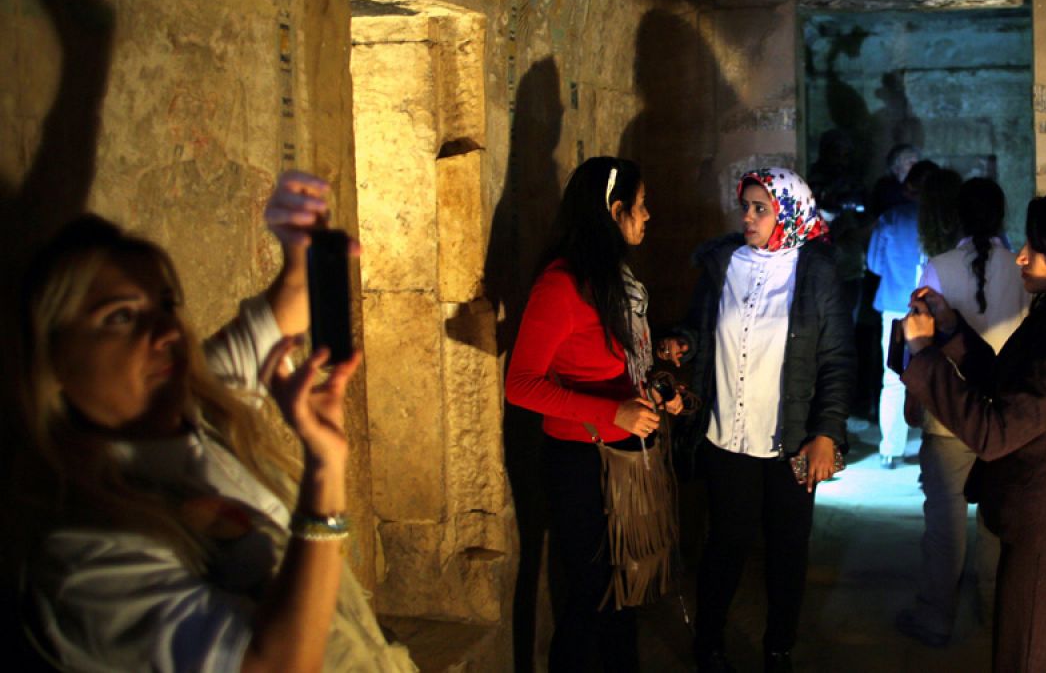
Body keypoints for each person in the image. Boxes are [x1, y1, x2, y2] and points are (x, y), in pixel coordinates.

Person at [13, 172, 415, 672]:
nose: (164, 331)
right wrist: (324, 474)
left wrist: (299, 252)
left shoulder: (197, 408)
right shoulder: (85, 559)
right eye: (119, 316)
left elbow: (281, 314)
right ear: (53, 362)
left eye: (165, 305)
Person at [901, 185, 1046, 672]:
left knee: (1027, 657)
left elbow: (994, 432)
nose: (1021, 257)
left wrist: (925, 357)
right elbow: (1002, 379)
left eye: (1036, 248)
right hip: (1044, 524)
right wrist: (949, 331)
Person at [659, 168, 853, 673]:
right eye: (744, 206)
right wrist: (684, 343)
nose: (747, 216)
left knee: (788, 550)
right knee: (725, 545)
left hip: (791, 440)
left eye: (759, 208)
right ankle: (710, 643)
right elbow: (700, 326)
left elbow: (836, 360)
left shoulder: (816, 273)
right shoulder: (724, 264)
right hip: (728, 436)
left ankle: (778, 648)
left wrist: (827, 433)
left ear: (787, 211)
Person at [504, 157, 682, 673]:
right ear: (614, 209)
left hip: (621, 454)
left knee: (622, 596)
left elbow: (625, 364)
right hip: (582, 462)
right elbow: (521, 386)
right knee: (590, 601)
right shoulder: (561, 285)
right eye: (641, 205)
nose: (648, 216)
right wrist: (612, 414)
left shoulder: (616, 281)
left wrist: (659, 391)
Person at [895, 177, 1026, 648]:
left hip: (948, 412)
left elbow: (920, 338)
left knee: (944, 523)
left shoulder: (938, 267)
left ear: (958, 219)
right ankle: (994, 615)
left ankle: (935, 617)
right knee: (995, 521)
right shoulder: (1019, 269)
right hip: (1005, 414)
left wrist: (914, 396)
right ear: (1002, 215)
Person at [866, 159, 939, 468]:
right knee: (938, 374)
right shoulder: (943, 222)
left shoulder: (890, 219)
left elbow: (874, 264)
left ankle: (890, 448)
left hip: (896, 305)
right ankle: (935, 443)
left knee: (893, 377)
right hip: (936, 307)